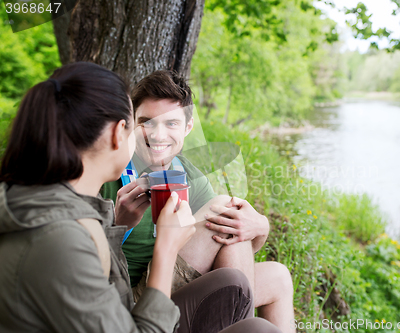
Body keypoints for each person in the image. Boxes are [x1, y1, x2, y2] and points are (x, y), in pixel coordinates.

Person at [0, 62, 281, 333]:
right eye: (140, 124)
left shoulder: (54, 201)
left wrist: (117, 226)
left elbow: (104, 283)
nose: (153, 135)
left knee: (255, 306)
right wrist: (166, 250)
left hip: (131, 308)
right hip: (140, 311)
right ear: (117, 134)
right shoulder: (59, 234)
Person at [100, 70, 295, 332]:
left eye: (170, 124)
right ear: (132, 123)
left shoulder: (187, 173)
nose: (158, 135)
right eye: (147, 122)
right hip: (129, 299)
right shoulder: (109, 169)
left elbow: (235, 245)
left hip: (171, 283)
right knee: (224, 211)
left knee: (278, 277)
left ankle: (240, 325)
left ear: (187, 127)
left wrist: (261, 227)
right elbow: (78, 257)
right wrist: (116, 224)